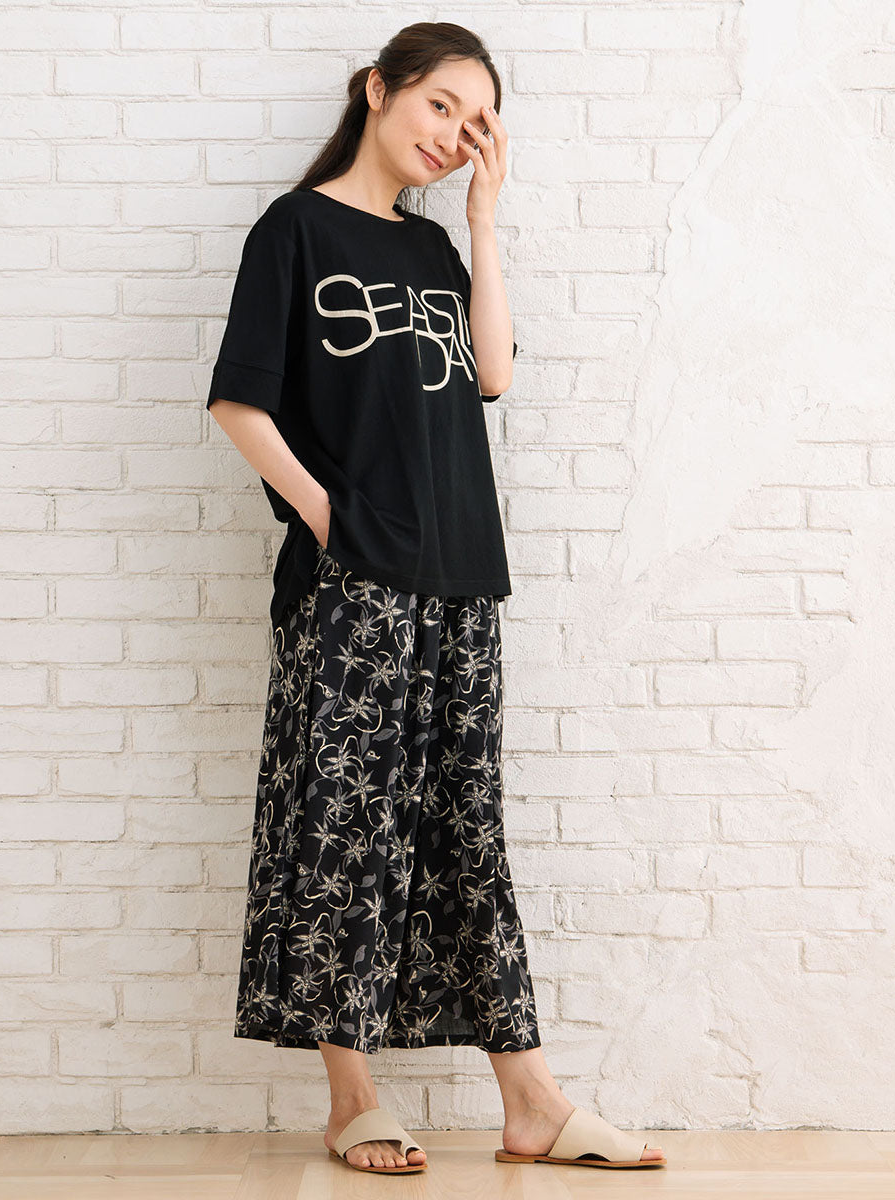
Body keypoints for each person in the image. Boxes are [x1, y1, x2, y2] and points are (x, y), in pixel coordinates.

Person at [206, 19, 666, 1177]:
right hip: (353, 582)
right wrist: (332, 521)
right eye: (440, 106)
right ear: (379, 90)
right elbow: (238, 404)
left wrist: (483, 223)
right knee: (346, 827)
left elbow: (492, 373)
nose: (455, 134)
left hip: (462, 574)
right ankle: (350, 1095)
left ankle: (532, 1104)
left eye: (477, 123)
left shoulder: (433, 249)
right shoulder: (294, 230)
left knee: (466, 831)